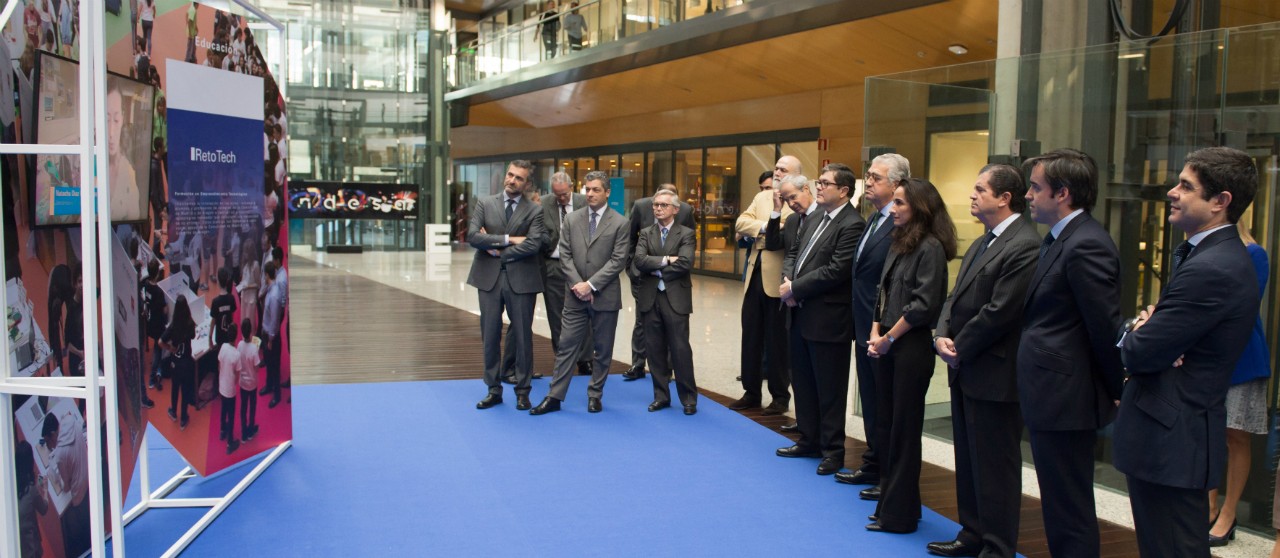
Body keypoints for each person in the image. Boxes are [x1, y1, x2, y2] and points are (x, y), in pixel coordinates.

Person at [1117, 146, 1260, 557]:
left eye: (1186, 186)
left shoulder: (1213, 267)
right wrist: (1147, 332)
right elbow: (1152, 342)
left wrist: (1141, 330)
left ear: (1220, 201)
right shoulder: (1206, 257)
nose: (1171, 193)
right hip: (1169, 435)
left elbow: (1140, 351)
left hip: (1175, 440)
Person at [927, 164, 1039, 556]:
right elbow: (955, 297)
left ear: (1004, 198)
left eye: (979, 189)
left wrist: (960, 347)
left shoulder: (1025, 244)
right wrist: (941, 334)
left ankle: (997, 546)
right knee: (970, 459)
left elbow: (1000, 310)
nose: (971, 195)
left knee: (995, 466)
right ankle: (971, 534)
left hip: (994, 371)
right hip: (967, 367)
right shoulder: (983, 241)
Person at [1018, 148, 1123, 557]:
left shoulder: (1086, 244)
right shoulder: (1060, 240)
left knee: (1069, 506)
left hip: (1067, 396)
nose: (1027, 195)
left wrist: (1116, 387)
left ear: (1062, 194)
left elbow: (1104, 326)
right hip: (1051, 392)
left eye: (1035, 187)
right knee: (1058, 503)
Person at [863, 177, 955, 534]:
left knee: (903, 431)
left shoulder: (930, 248)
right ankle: (892, 504)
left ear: (920, 207)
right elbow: (882, 291)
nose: (895, 209)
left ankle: (900, 515)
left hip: (910, 348)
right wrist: (875, 332)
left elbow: (922, 305)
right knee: (886, 427)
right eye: (895, 203)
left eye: (901, 203)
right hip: (887, 343)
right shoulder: (899, 242)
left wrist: (887, 337)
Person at [776, 163, 866, 476]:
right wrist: (788, 279)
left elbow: (837, 270)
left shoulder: (852, 224)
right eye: (819, 182)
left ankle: (832, 450)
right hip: (799, 312)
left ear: (844, 191)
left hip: (828, 318)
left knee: (829, 387)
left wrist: (795, 287)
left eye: (826, 183)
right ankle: (809, 439)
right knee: (803, 381)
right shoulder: (815, 217)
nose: (820, 187)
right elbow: (795, 251)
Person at [531, 171, 630, 415]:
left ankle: (595, 394)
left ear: (607, 192)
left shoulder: (620, 223)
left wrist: (591, 285)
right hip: (574, 294)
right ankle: (555, 396)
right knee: (566, 346)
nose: (591, 194)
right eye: (588, 189)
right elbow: (564, 255)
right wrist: (579, 285)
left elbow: (618, 261)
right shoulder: (573, 219)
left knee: (602, 349)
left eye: (596, 190)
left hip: (605, 296)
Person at [835, 153, 905, 489]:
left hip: (883, 329)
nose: (870, 181)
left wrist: (884, 328)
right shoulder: (874, 219)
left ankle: (887, 472)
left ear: (896, 184)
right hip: (863, 324)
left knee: (884, 402)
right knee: (871, 400)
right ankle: (874, 461)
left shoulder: (900, 224)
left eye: (876, 177)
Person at [1207, 220, 1271, 546]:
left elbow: (1243, 308)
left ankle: (1229, 514)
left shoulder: (1254, 254)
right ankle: (1209, 506)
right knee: (1210, 432)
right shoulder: (1203, 251)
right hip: (1209, 358)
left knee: (1236, 436)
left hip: (1243, 358)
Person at [468, 160, 545, 410]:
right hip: (488, 279)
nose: (512, 180)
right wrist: (509, 239)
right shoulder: (485, 203)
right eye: (510, 175)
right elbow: (472, 236)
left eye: (519, 178)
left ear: (527, 183)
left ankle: (523, 391)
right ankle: (493, 389)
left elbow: (534, 244)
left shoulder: (534, 210)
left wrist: (498, 250)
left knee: (523, 337)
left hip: (522, 280)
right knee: (489, 335)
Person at [730, 159, 796, 413]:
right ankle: (751, 392)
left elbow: (787, 233)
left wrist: (761, 231)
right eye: (776, 168)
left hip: (778, 280)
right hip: (754, 276)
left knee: (777, 341)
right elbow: (740, 223)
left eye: (783, 170)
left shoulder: (797, 200)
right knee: (751, 336)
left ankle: (780, 397)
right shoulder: (763, 197)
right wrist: (768, 229)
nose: (777, 172)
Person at [631, 189, 697, 414]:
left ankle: (688, 398)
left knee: (680, 349)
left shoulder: (686, 233)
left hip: (675, 298)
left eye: (663, 205)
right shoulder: (645, 233)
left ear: (675, 210)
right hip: (650, 298)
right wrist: (668, 260)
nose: (658, 208)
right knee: (654, 349)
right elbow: (639, 261)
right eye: (655, 205)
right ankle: (661, 396)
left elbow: (686, 263)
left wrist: (657, 270)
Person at [538, 172, 593, 378]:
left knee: (584, 313)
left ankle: (585, 359)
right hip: (553, 266)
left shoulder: (584, 202)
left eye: (564, 194)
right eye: (557, 195)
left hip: (580, 267)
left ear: (572, 186)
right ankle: (563, 357)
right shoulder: (544, 204)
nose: (561, 198)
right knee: (556, 315)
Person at [44, 412, 90, 557]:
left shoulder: (60, 454)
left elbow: (66, 487)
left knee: (77, 531)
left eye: (48, 441)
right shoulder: (71, 421)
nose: (49, 446)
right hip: (87, 477)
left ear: (52, 434)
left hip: (78, 494)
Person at [107, 82, 142, 222]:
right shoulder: (87, 168)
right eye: (106, 119)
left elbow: (134, 220)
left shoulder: (128, 173)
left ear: (122, 118)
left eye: (115, 120)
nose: (111, 132)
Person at [160, 294, 197, 429]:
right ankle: (183, 417)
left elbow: (160, 341)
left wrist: (170, 348)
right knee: (185, 389)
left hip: (176, 362)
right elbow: (192, 336)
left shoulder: (173, 326)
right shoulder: (189, 323)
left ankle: (174, 412)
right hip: (187, 362)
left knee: (175, 387)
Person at [15, 440, 49, 558]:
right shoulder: (31, 490)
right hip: (31, 549)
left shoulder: (13, 486)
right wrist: (45, 490)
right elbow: (44, 508)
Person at [261, 260, 287, 408]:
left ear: (266, 275)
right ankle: (269, 386)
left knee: (274, 366)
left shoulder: (274, 296)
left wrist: (270, 338)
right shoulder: (272, 291)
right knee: (270, 364)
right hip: (267, 334)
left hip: (272, 337)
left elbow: (275, 320)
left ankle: (276, 395)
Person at [141, 259, 168, 390]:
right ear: (157, 272)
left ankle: (159, 371)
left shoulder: (146, 285)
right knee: (158, 350)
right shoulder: (159, 291)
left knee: (158, 349)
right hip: (158, 325)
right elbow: (165, 309)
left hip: (151, 322)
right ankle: (152, 378)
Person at [217, 320, 241, 454]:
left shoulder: (223, 347)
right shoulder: (236, 354)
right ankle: (230, 441)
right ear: (236, 336)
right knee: (231, 415)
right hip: (230, 389)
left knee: (223, 410)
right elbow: (237, 374)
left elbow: (219, 363)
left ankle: (222, 431)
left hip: (222, 386)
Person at [237, 318, 261, 442]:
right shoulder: (254, 348)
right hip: (252, 384)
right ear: (251, 331)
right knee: (252, 407)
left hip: (242, 383)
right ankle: (251, 430)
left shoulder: (239, 345)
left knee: (243, 407)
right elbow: (257, 368)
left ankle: (244, 433)